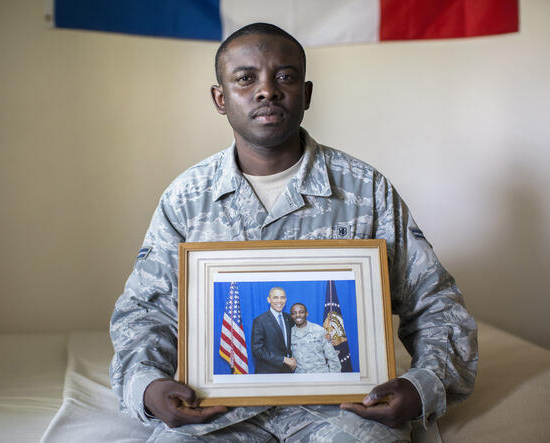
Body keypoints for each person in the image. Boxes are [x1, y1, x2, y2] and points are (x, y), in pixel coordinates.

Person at [110, 22, 478, 442]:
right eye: (246, 79)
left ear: (306, 94)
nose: (267, 90)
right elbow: (145, 313)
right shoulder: (186, 199)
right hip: (219, 409)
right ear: (220, 98)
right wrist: (148, 386)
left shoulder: (366, 189)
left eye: (284, 76)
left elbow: (435, 304)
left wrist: (421, 385)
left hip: (345, 410)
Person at [250, 287, 296, 373]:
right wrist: (283, 359)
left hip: (287, 371)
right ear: (269, 299)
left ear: (286, 299)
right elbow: (257, 350)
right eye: (275, 297)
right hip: (267, 373)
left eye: (282, 297)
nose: (279, 301)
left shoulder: (289, 318)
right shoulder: (260, 321)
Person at [290, 302, 341, 374]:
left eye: (301, 312)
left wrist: (334, 379)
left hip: (320, 376)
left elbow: (332, 357)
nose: (298, 315)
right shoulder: (289, 334)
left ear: (306, 313)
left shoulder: (319, 330)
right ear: (291, 315)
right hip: (300, 378)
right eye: (294, 313)